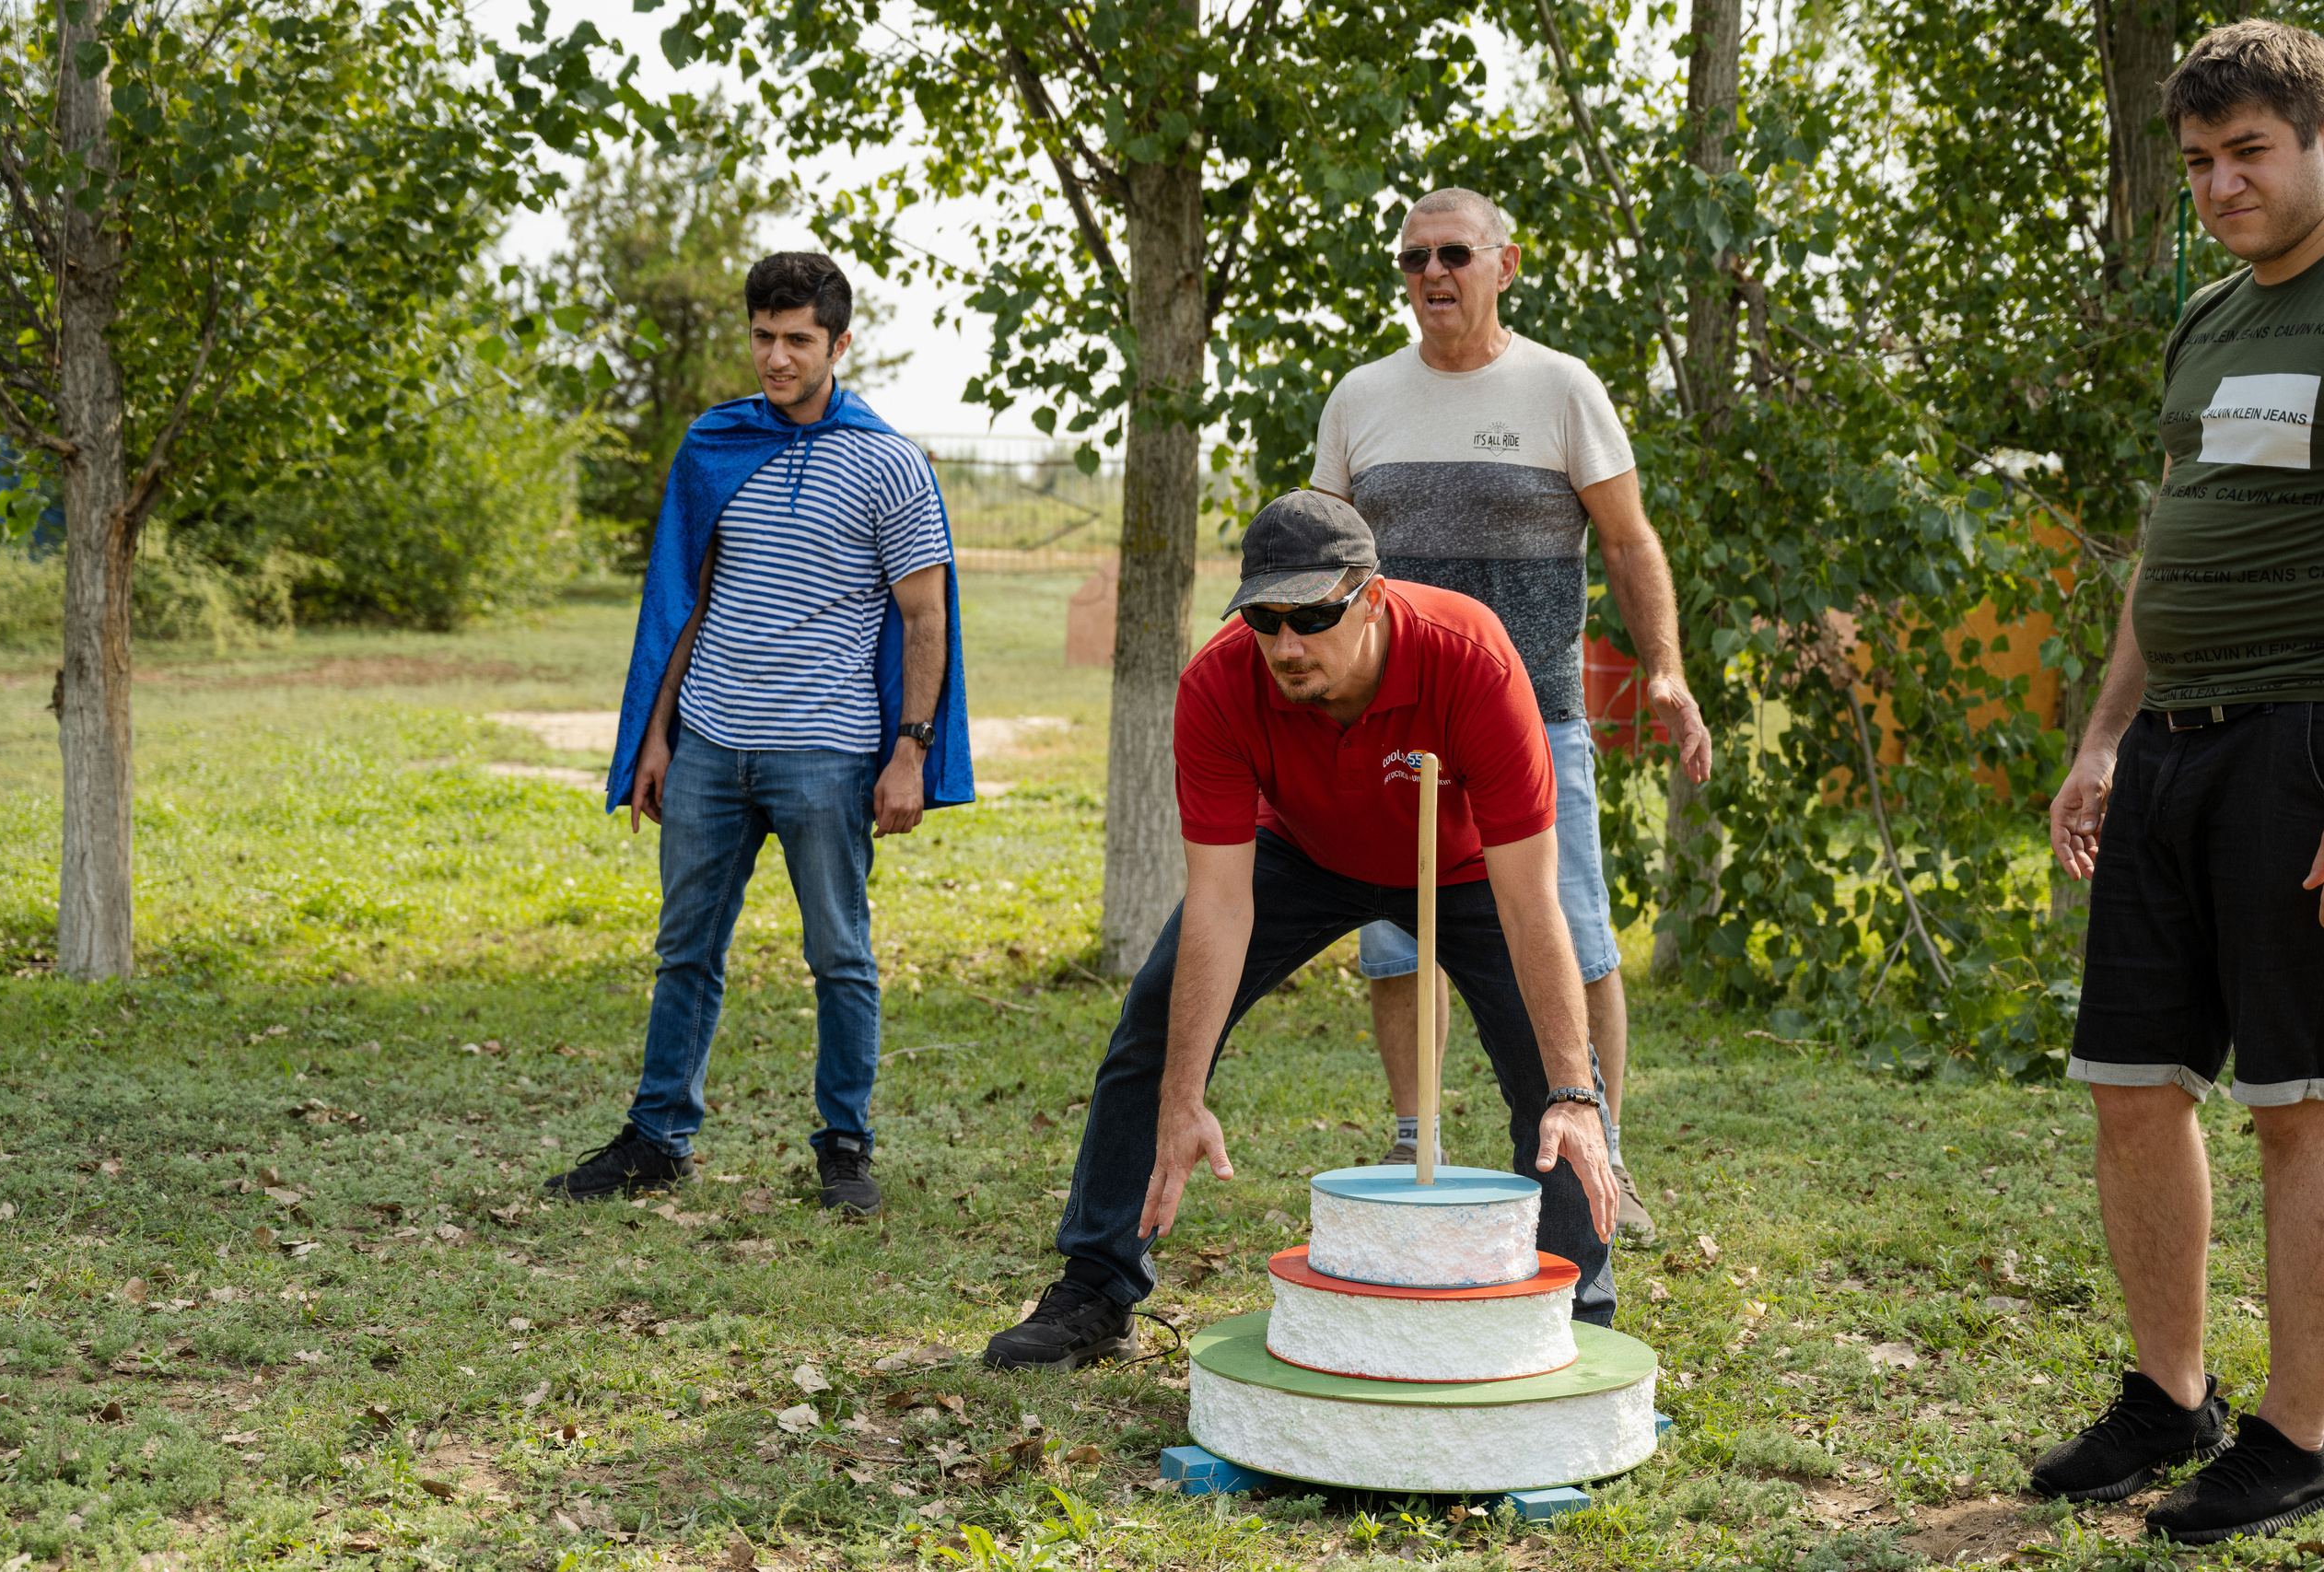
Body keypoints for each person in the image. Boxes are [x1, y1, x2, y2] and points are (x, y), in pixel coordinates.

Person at [980, 490, 1620, 1372]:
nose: (1286, 645)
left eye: (1314, 615)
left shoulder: (1470, 658)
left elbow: (1529, 897)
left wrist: (1575, 1092)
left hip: (1466, 867)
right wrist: (1184, 1089)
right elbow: (1218, 901)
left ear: (1374, 595)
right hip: (1306, 850)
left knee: (1550, 1078)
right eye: (1264, 619)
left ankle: (1575, 1312)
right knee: (1157, 1025)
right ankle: (1098, 1281)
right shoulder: (1218, 684)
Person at [2031, 19, 2324, 1544]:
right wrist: (2103, 736)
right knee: (2136, 1085)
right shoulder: (2211, 320)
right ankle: (2171, 1395)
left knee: (2301, 1102)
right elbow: (2174, 531)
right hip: (2169, 748)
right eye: (2203, 161)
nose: (2221, 186)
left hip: (2308, 736)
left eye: (2251, 155)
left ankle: (2295, 1431)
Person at [1309, 187, 1711, 1240]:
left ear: (1505, 264)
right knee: (1399, 946)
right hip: (1395, 727)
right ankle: (1412, 1147)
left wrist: (1663, 669)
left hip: (1537, 719)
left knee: (1576, 945)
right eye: (1410, 259)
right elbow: (1330, 565)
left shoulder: (1561, 389)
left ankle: (1597, 1157)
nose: (1430, 274)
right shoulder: (1360, 399)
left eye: (1452, 254)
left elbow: (1627, 542)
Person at [543, 252, 974, 1217]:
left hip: (824, 754)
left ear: (839, 344)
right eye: (763, 337)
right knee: (684, 949)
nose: (775, 359)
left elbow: (925, 620)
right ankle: (658, 1138)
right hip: (708, 745)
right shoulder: (715, 444)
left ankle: (844, 1147)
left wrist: (909, 748)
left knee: (840, 956)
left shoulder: (889, 461)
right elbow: (681, 605)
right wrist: (656, 740)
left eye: (797, 341)